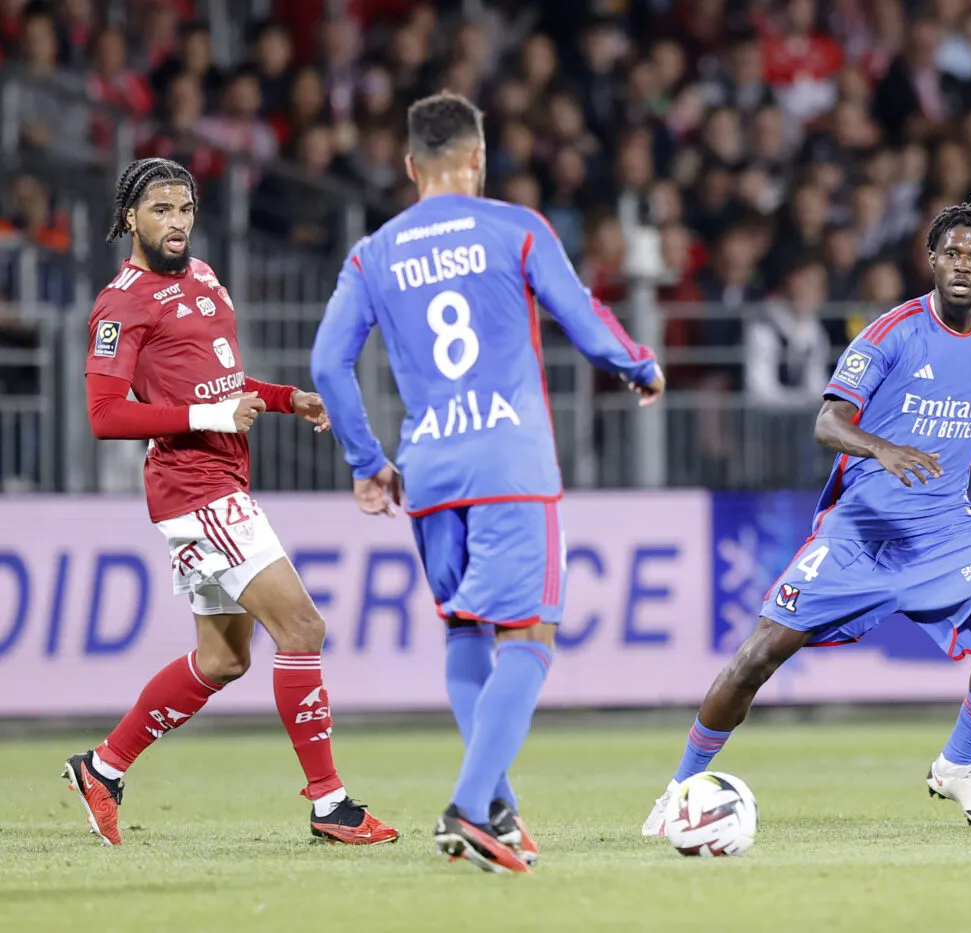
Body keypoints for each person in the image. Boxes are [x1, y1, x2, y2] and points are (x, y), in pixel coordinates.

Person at [642, 194, 971, 835]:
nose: (962, 263)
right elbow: (828, 421)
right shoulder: (891, 332)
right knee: (759, 656)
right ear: (932, 259)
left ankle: (957, 765)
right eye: (952, 252)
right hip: (863, 529)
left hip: (943, 528)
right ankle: (679, 787)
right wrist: (882, 447)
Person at [309, 92, 664, 873]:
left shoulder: (373, 253)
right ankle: (470, 810)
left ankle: (496, 805)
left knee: (467, 630)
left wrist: (368, 463)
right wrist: (639, 362)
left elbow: (325, 364)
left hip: (431, 471)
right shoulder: (516, 227)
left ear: (410, 166)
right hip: (509, 462)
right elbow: (581, 315)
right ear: (476, 158)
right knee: (530, 637)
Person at [67, 157, 398, 847]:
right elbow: (103, 413)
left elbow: (218, 377)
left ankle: (103, 766)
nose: (177, 221)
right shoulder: (120, 302)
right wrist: (212, 419)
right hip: (195, 488)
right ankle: (329, 802)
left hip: (218, 483)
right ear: (130, 217)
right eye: (160, 209)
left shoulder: (206, 278)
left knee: (222, 660)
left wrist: (281, 399)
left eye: (184, 207)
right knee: (303, 628)